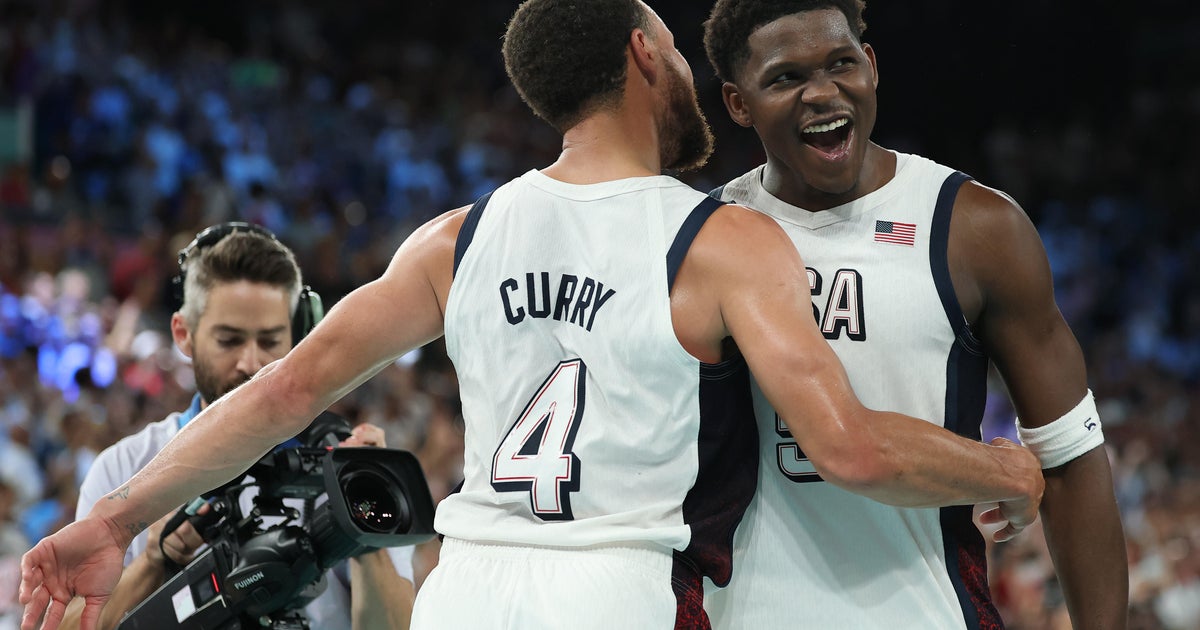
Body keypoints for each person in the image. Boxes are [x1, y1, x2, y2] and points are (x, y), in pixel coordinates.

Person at [19, 1, 1045, 629]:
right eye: (675, 47)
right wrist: (1006, 469)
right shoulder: (721, 239)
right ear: (644, 54)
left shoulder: (456, 239)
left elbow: (287, 392)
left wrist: (111, 519)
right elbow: (850, 448)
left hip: (467, 595)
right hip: (618, 593)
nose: (687, 69)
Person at [699, 1, 1129, 628]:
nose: (822, 93)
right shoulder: (698, 239)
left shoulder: (975, 228)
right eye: (786, 77)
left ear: (871, 66)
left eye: (840, 63)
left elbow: (1070, 456)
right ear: (739, 103)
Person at [56, 224, 417, 630]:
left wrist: (361, 522)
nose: (251, 363)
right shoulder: (125, 468)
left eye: (270, 341)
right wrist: (153, 563)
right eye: (229, 341)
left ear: (299, 337)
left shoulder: (343, 463)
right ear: (184, 334)